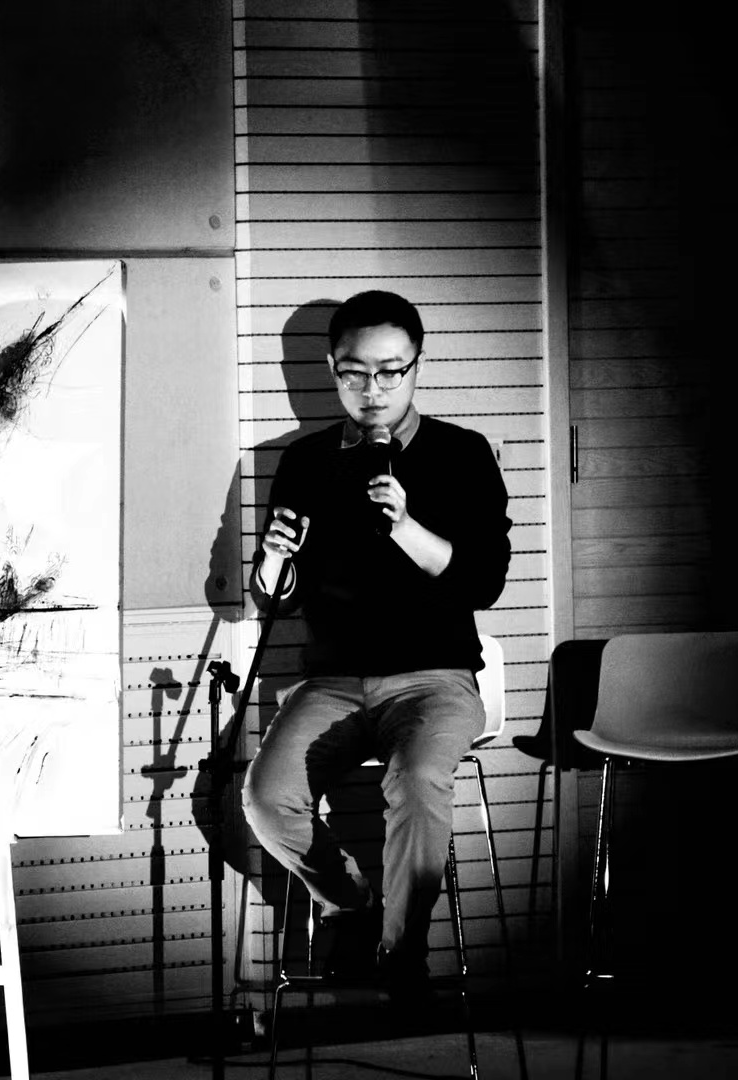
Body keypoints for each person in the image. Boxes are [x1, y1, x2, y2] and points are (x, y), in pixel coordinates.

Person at [241, 290, 512, 999]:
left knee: (417, 779)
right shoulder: (305, 460)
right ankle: (351, 907)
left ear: (417, 365)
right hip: (333, 680)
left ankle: (402, 954)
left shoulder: (462, 453)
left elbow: (484, 582)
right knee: (267, 798)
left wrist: (404, 525)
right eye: (355, 373)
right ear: (332, 369)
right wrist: (273, 559)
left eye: (391, 371)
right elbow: (279, 596)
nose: (373, 390)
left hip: (435, 678)